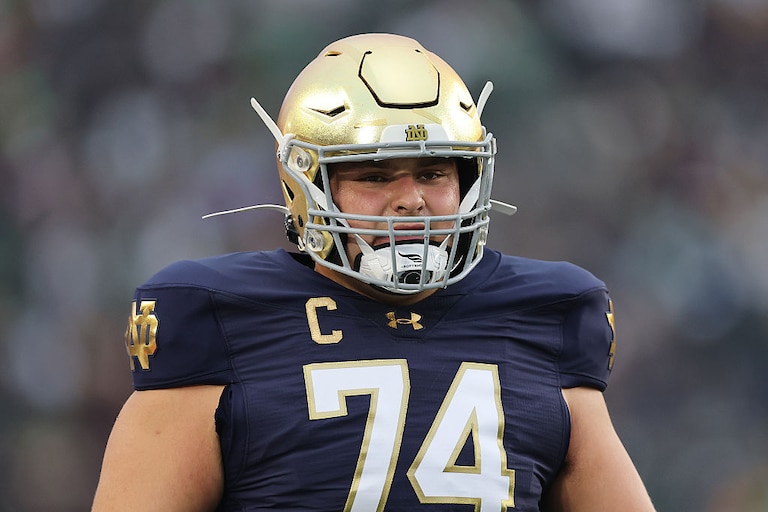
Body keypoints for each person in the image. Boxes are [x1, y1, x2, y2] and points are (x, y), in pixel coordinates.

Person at [91, 33, 655, 511]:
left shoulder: (548, 313)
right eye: (377, 177)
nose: (410, 200)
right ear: (306, 186)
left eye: (434, 172)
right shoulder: (217, 318)